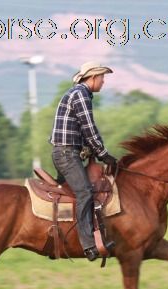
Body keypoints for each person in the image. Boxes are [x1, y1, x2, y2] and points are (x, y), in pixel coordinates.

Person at [49, 61, 118, 262]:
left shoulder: (80, 94)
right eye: (102, 77)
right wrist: (104, 153)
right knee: (85, 192)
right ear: (93, 77)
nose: (103, 82)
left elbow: (83, 132)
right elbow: (89, 128)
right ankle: (88, 245)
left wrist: (94, 152)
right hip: (67, 155)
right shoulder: (80, 95)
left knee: (78, 193)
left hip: (68, 153)